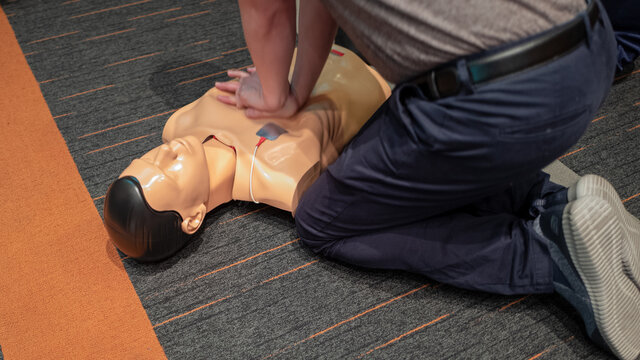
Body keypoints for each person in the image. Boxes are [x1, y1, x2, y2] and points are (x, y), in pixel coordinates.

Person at [214, 0, 640, 359]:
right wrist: (297, 92)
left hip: (502, 97)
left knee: (322, 220)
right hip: (592, 43)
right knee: (436, 161)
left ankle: (548, 253)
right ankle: (559, 205)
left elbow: (266, 10)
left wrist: (273, 94)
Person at [103, 46, 390, 261]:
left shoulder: (181, 123)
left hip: (321, 30)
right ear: (193, 218)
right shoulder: (287, 183)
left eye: (147, 157)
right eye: (167, 171)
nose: (166, 152)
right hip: (389, 67)